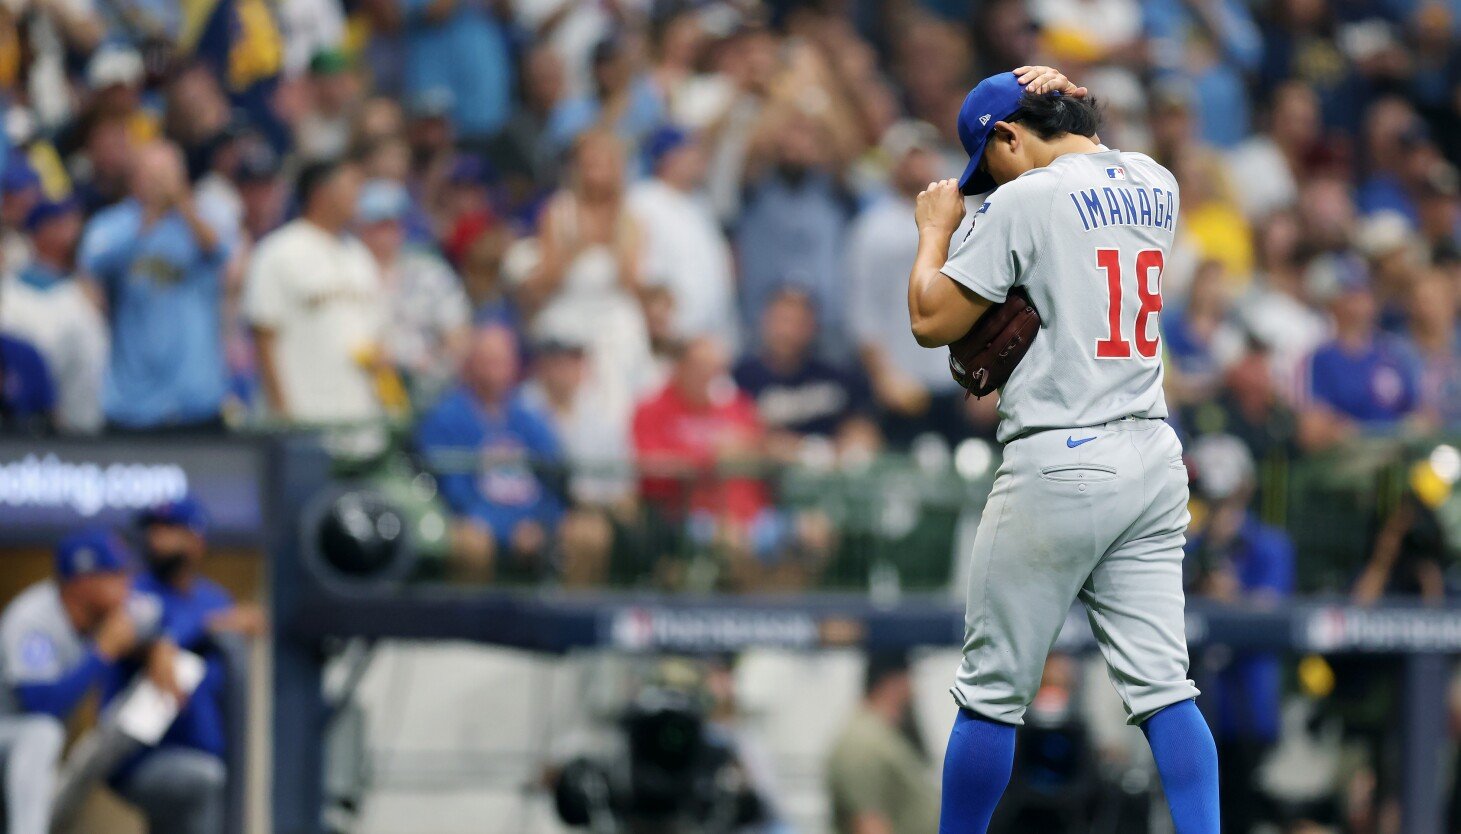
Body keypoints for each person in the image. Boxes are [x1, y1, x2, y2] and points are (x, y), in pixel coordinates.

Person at [906, 67, 1219, 833]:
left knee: (989, 694)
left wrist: (935, 229)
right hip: (1149, 456)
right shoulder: (1156, 180)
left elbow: (928, 319)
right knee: (1164, 689)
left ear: (1007, 136)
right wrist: (1070, 98)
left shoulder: (1025, 198)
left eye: (990, 160)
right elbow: (1089, 153)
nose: (987, 181)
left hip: (1060, 455)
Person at [106, 498, 264, 834]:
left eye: (169, 531)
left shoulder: (214, 599)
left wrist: (213, 626)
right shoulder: (134, 593)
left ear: (196, 540)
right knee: (203, 780)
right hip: (141, 756)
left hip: (209, 750)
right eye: (153, 531)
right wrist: (172, 640)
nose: (156, 540)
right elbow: (135, 635)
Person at [0, 530, 169, 834]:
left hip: (31, 753)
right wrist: (102, 653)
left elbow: (159, 613)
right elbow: (40, 705)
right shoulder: (32, 620)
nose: (127, 584)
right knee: (42, 732)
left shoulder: (111, 610)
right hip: (10, 732)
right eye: (115, 575)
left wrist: (161, 646)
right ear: (83, 584)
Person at [78, 140, 235, 432]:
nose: (160, 185)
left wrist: (183, 206)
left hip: (196, 399)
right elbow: (92, 265)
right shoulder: (113, 223)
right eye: (152, 176)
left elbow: (220, 251)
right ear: (134, 179)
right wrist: (148, 218)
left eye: (167, 176)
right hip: (132, 403)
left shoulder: (203, 217)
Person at [1184, 435, 1294, 834]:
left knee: (1244, 813)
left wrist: (1229, 592)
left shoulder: (1269, 546)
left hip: (1250, 708)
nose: (1216, 511)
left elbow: (1270, 609)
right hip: (1195, 707)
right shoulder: (1188, 546)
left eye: (1223, 501)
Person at [415, 324, 582, 583]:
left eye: (502, 362)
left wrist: (540, 523)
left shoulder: (529, 417)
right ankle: (470, 622)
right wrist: (506, 529)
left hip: (531, 520)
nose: (495, 371)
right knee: (471, 544)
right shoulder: (444, 418)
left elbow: (554, 478)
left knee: (588, 534)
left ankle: (570, 620)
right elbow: (453, 494)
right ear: (469, 365)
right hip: (473, 523)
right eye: (487, 362)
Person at [846, 120, 969, 447]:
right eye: (909, 156)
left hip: (962, 378)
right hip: (904, 377)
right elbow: (864, 308)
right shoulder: (873, 227)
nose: (918, 164)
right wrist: (883, 376)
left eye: (924, 155)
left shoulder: (968, 215)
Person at [244, 158, 386, 426]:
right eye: (351, 185)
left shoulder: (359, 256)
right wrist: (283, 416)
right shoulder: (279, 252)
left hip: (361, 425)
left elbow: (375, 338)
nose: (359, 195)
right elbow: (264, 337)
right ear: (322, 192)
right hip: (304, 423)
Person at [356, 178, 471, 405]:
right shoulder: (346, 271)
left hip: (426, 392)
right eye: (377, 224)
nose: (385, 233)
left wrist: (427, 368)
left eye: (391, 223)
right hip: (364, 390)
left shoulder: (429, 273)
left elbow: (459, 336)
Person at [1, 196, 108, 433]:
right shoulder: (10, 292)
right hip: (26, 433)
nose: (74, 232)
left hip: (89, 430)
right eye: (63, 224)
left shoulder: (85, 290)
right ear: (41, 232)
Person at [627, 126, 739, 350]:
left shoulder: (700, 205)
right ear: (667, 157)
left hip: (708, 336)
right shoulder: (642, 199)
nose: (698, 158)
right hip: (666, 338)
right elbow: (633, 268)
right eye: (690, 151)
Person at [732, 287, 873, 451]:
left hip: (831, 468)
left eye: (797, 322)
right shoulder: (740, 378)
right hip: (770, 471)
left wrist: (854, 441)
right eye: (780, 320)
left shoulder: (837, 376)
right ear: (764, 322)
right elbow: (736, 438)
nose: (786, 332)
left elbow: (862, 426)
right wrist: (801, 448)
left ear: (813, 326)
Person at [825, 652, 940, 834]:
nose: (915, 689)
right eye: (909, 678)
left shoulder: (882, 735)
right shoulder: (863, 741)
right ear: (893, 682)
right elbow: (868, 823)